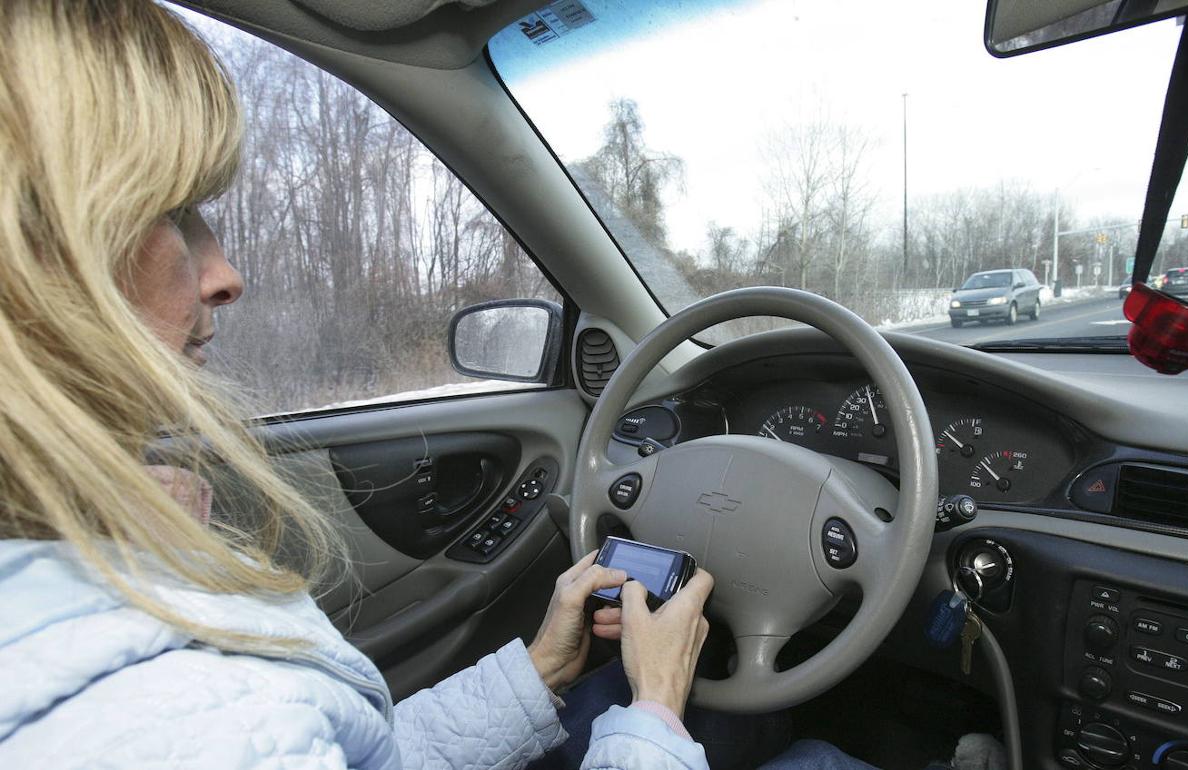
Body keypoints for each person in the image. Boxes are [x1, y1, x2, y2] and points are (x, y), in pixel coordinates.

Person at [0, 1, 881, 768]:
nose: (225, 270)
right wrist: (653, 703)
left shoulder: (90, 613)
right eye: (172, 213)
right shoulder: (149, 711)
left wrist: (543, 665)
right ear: (32, 259)